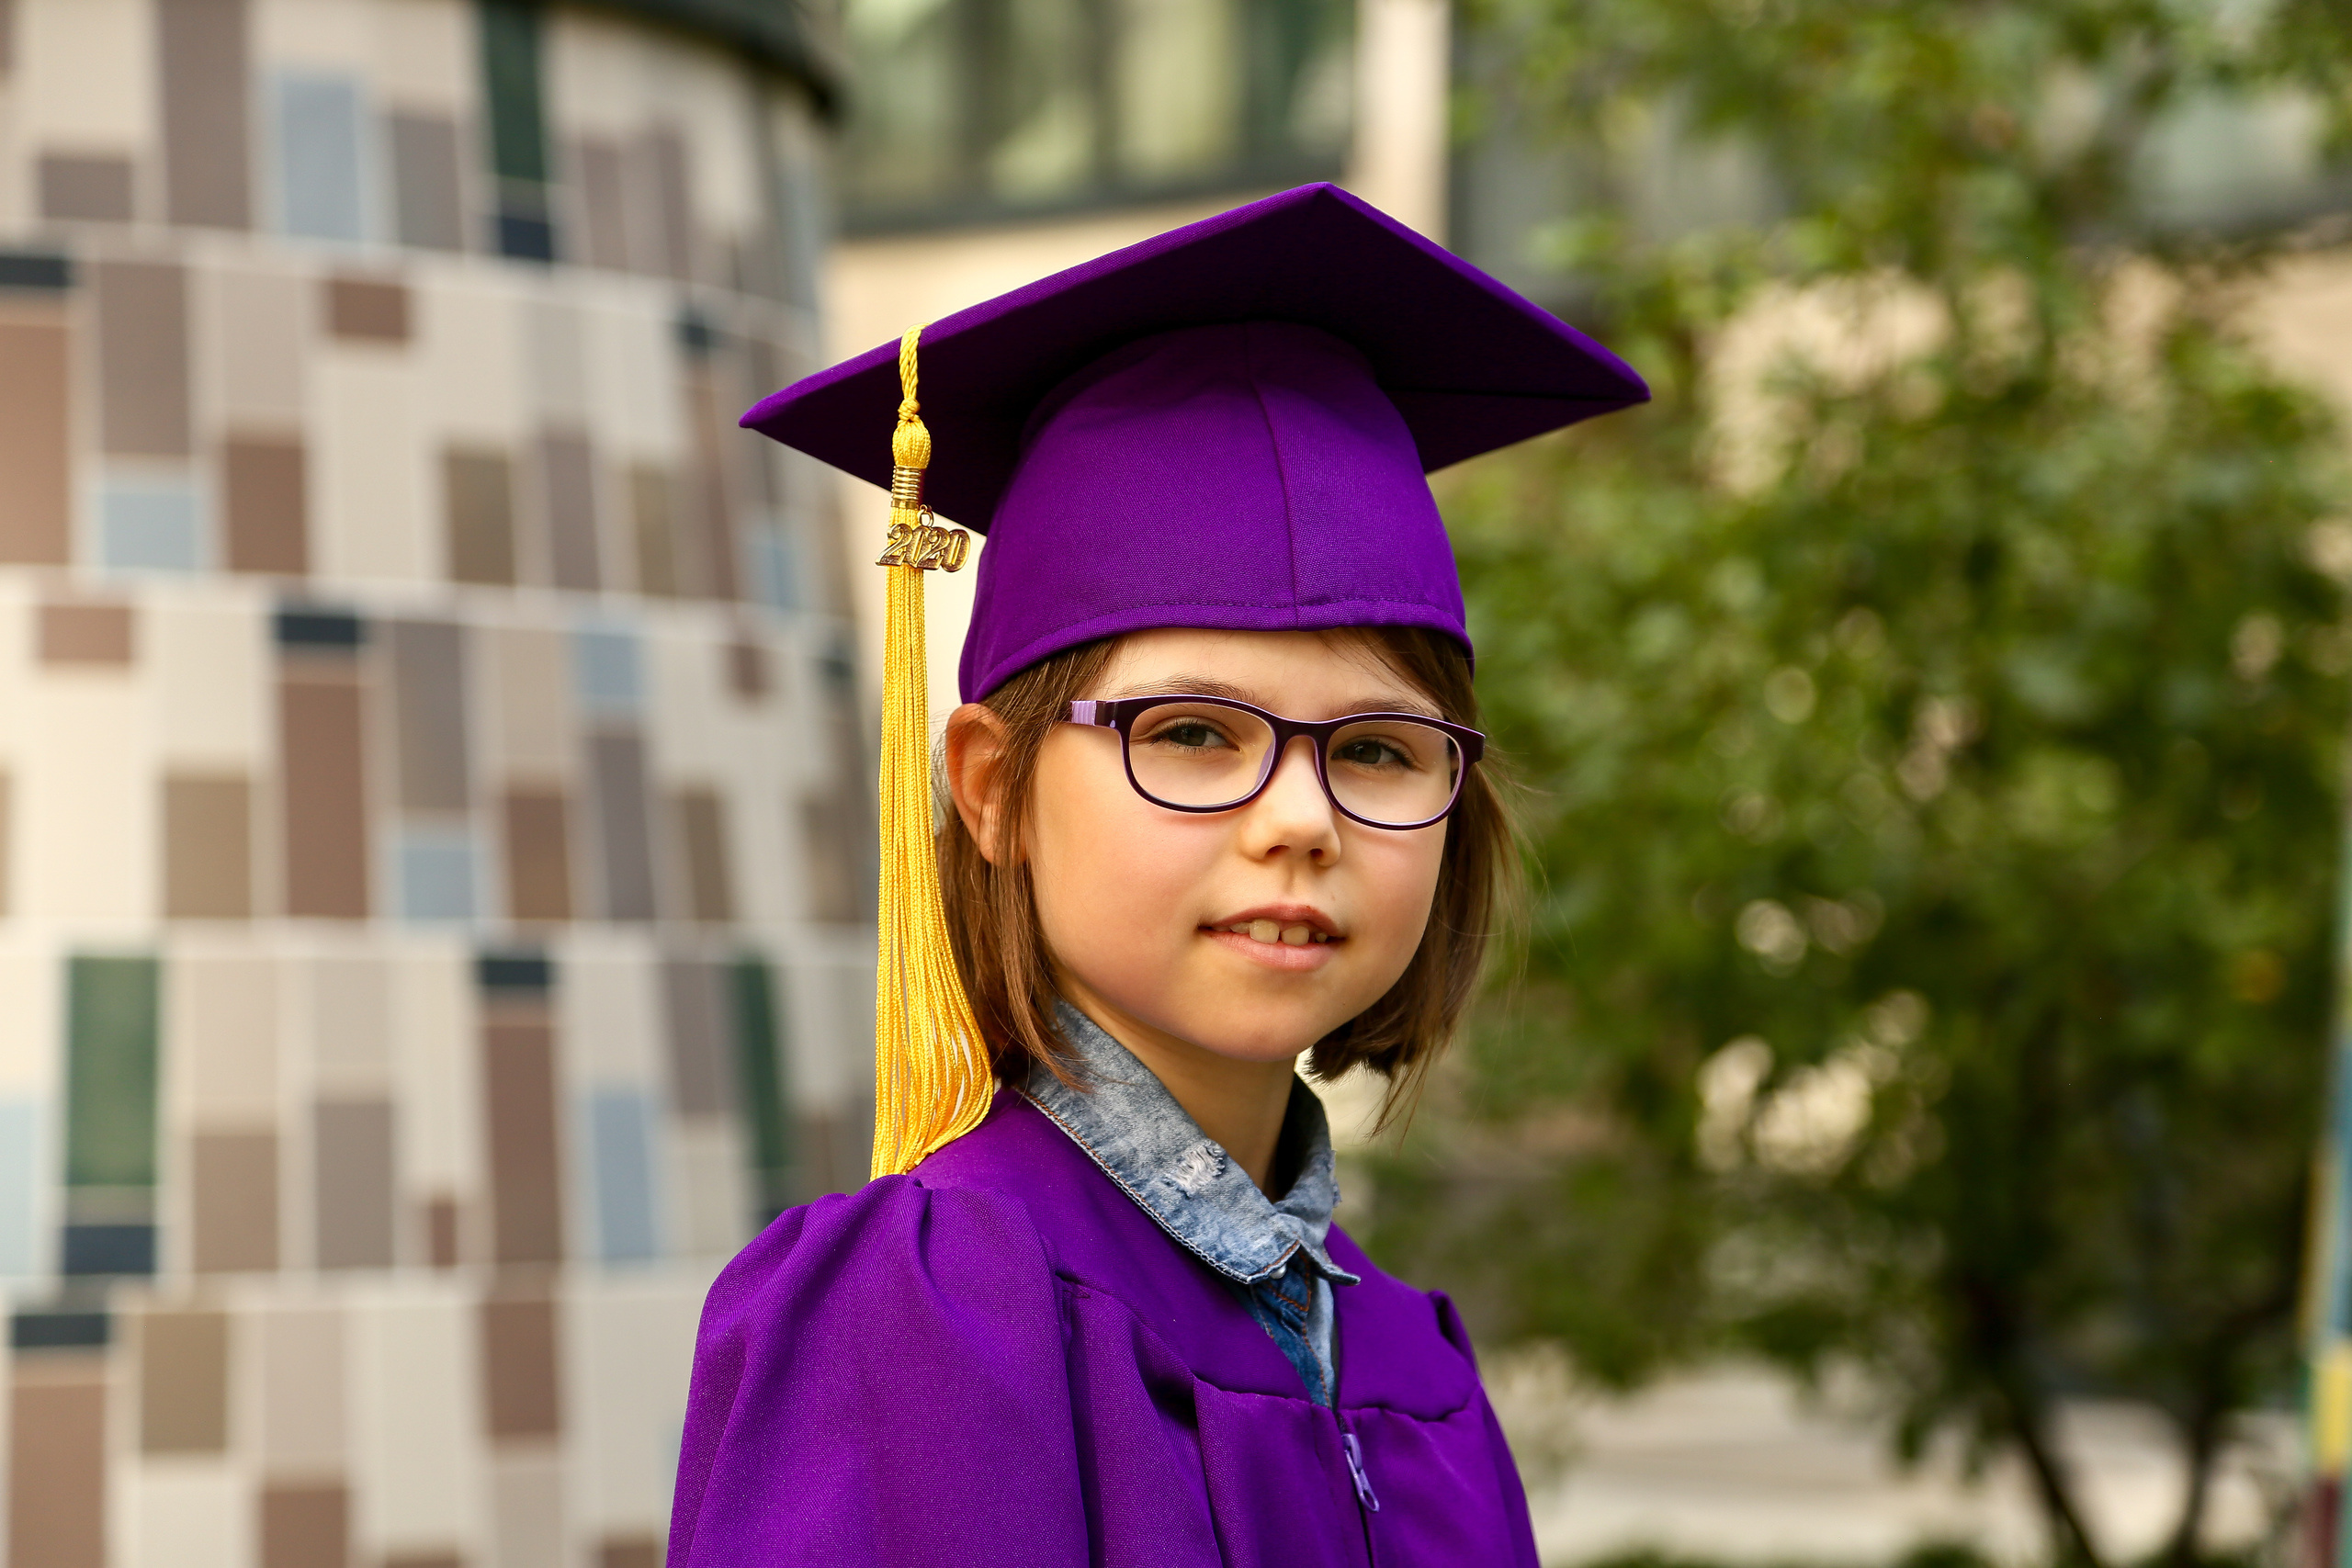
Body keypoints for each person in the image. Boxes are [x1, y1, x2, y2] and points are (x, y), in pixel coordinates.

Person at [666, 184, 1646, 1567]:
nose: (1301, 819)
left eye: (1376, 750)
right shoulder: (926, 1311)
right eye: (1191, 734)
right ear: (993, 789)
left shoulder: (1400, 1348)